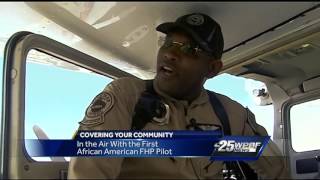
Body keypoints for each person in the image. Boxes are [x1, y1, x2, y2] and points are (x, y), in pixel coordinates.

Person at [68, 13, 289, 179]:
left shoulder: (230, 114)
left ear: (212, 69)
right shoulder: (126, 96)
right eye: (168, 43)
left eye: (189, 49)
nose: (170, 54)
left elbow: (276, 170)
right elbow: (89, 172)